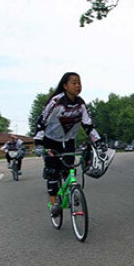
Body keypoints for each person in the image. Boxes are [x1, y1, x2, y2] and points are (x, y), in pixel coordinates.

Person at [33, 72, 107, 218]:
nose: (77, 85)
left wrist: (98, 142)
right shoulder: (56, 102)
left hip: (68, 141)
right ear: (65, 86)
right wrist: (38, 144)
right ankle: (54, 203)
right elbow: (42, 122)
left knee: (69, 170)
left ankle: (72, 192)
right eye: (73, 82)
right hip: (51, 140)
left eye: (79, 82)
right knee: (52, 173)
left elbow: (88, 125)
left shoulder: (80, 103)